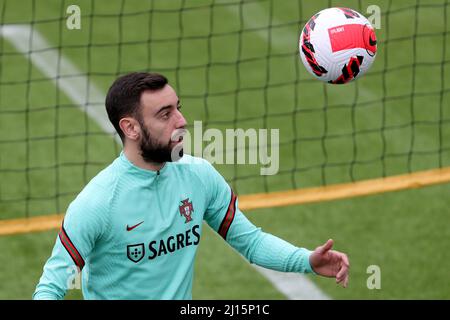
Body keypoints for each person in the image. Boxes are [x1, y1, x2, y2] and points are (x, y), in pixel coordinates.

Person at [33, 72, 349, 300]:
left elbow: (250, 242)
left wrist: (307, 260)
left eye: (178, 107)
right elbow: (51, 286)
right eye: (165, 114)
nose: (181, 121)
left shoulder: (198, 176)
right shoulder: (98, 203)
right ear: (130, 128)